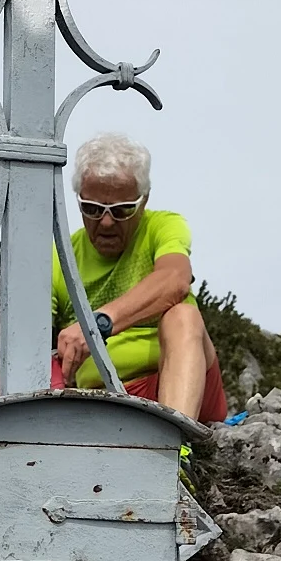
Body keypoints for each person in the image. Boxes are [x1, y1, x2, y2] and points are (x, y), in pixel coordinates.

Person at [49, 133, 228, 422]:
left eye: (121, 211)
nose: (106, 222)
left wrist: (98, 324)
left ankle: (174, 452)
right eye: (92, 209)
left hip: (178, 385)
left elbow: (176, 279)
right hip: (103, 401)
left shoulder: (163, 226)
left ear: (143, 201)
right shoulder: (60, 259)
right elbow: (28, 345)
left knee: (182, 315)